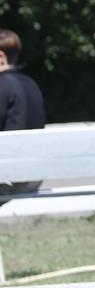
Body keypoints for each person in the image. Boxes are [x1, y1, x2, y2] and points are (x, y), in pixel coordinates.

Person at [0, 28, 47, 202]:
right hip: (33, 175)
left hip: (9, 178)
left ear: (1, 57)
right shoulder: (31, 83)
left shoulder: (3, 86)